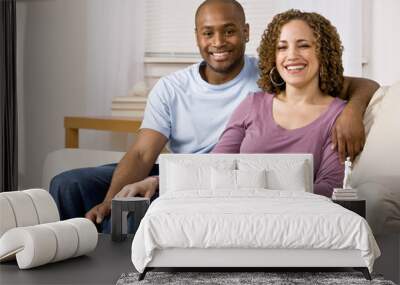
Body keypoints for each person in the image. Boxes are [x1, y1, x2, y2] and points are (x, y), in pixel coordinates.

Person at [50, 0, 379, 232]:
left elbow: (351, 84)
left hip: (226, 182)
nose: (218, 42)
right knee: (68, 184)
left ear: (247, 32)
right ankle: (72, 248)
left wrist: (352, 109)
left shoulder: (267, 75)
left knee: (142, 208)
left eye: (229, 31)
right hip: (191, 171)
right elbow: (142, 153)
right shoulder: (178, 88)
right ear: (196, 36)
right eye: (208, 33)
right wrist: (121, 196)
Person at [212, 9, 350, 197]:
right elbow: (215, 168)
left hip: (301, 219)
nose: (291, 55)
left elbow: (330, 188)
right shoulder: (252, 105)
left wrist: (261, 191)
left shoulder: (338, 116)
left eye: (304, 45)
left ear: (323, 53)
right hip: (240, 213)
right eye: (282, 47)